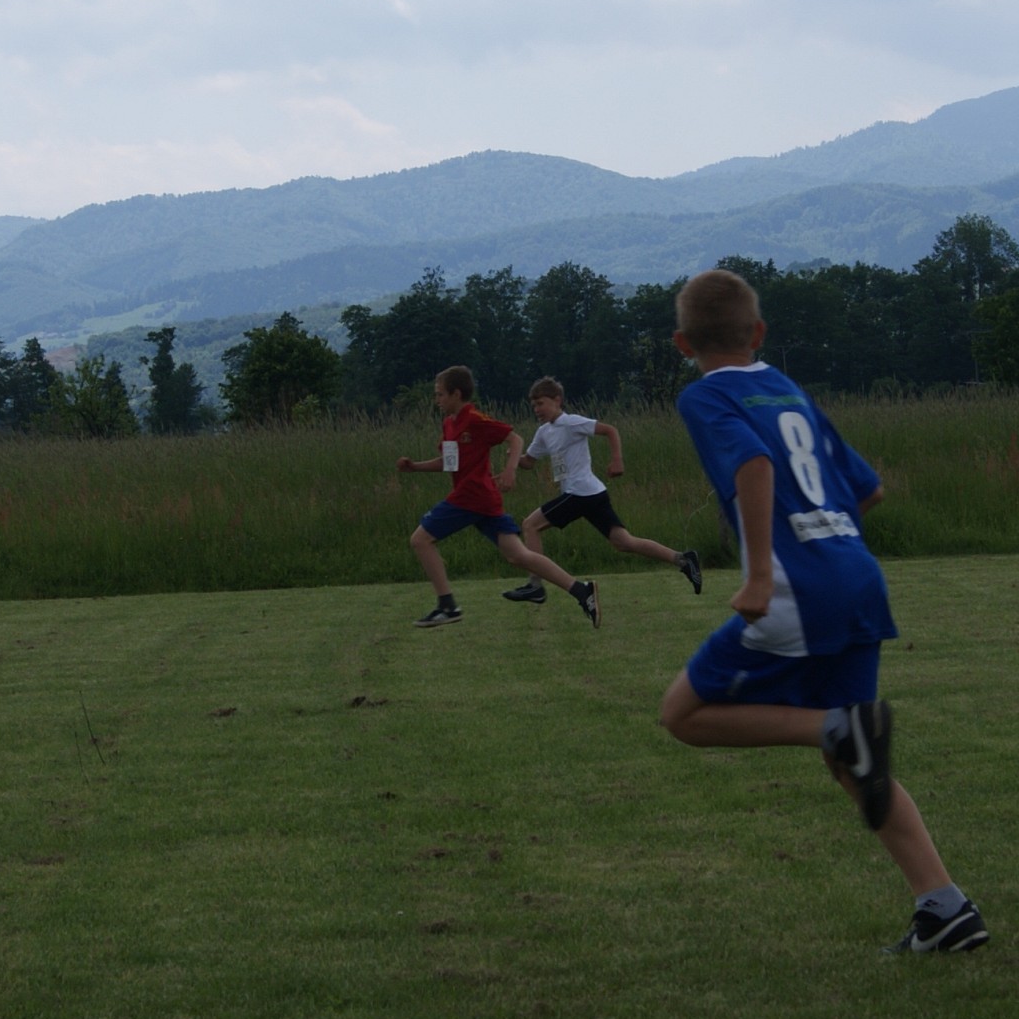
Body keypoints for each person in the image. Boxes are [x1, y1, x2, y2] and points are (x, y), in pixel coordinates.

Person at [657, 269, 988, 954]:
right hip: (855, 577)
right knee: (856, 763)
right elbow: (868, 489)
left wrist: (758, 574)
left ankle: (831, 728)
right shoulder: (787, 389)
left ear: (682, 343)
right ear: (759, 332)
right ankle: (944, 906)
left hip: (795, 590)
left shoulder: (704, 395)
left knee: (682, 714)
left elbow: (753, 466)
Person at [397, 365, 600, 629]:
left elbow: (514, 439)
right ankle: (582, 591)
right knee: (518, 556)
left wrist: (509, 470)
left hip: (472, 497)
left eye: (440, 394)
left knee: (420, 540)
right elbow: (450, 463)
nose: (437, 400)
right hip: (481, 501)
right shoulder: (449, 424)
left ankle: (447, 606)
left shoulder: (475, 420)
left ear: (456, 394)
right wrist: (415, 467)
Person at [501, 376, 702, 605]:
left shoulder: (571, 422)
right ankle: (683, 560)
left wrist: (617, 459)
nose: (537, 409)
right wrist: (515, 458)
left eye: (541, 403)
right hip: (592, 494)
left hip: (579, 492)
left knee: (530, 525)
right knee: (623, 542)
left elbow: (610, 430)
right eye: (534, 405)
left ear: (557, 400)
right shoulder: (544, 432)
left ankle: (535, 586)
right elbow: (529, 462)